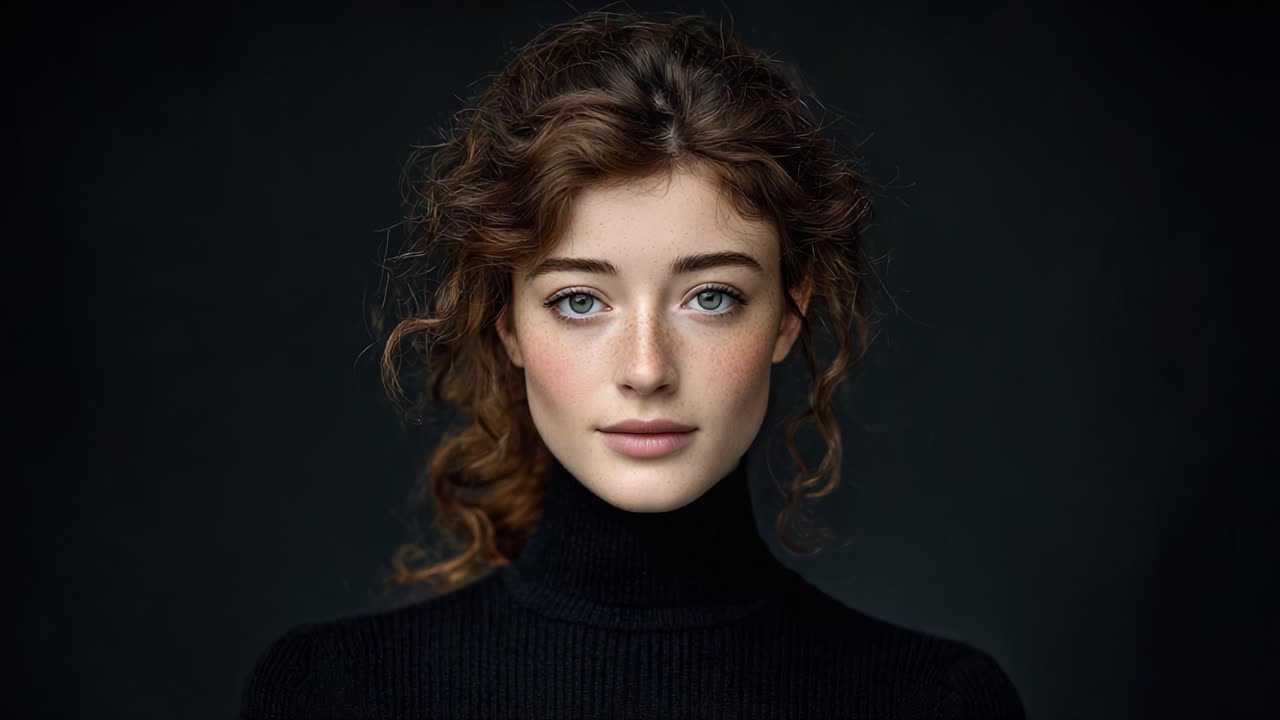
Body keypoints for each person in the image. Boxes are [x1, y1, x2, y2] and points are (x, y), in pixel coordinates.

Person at [240, 9, 1025, 719]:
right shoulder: (331, 695)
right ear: (507, 323)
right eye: (580, 301)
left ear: (789, 312)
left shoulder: (936, 705)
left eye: (711, 297)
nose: (646, 369)